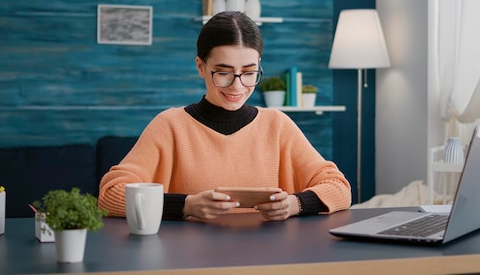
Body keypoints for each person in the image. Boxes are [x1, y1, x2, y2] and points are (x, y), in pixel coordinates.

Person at [98, 11, 351, 221]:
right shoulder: (170, 126)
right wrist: (186, 205)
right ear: (201, 67)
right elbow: (110, 195)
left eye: (249, 72)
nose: (237, 86)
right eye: (223, 72)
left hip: (268, 261)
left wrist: (296, 204)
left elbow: (339, 187)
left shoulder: (277, 126)